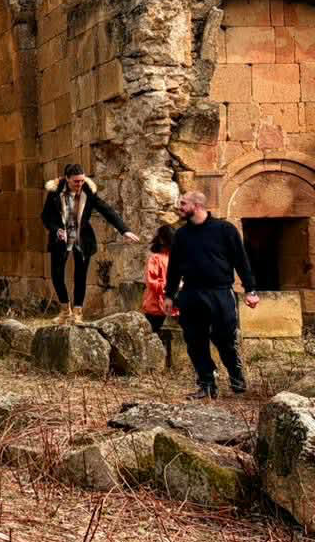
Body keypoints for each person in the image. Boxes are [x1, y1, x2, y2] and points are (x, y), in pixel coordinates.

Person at [163, 191, 260, 400]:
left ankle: (236, 379)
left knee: (225, 339)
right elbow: (174, 268)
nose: (179, 207)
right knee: (195, 341)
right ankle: (207, 384)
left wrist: (250, 290)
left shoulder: (225, 230)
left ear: (197, 205)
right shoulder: (181, 235)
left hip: (220, 293)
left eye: (183, 203)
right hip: (191, 293)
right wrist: (169, 295)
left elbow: (241, 262)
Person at [41, 164, 140, 324]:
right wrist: (57, 230)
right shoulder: (55, 191)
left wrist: (124, 230)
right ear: (67, 179)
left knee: (80, 275)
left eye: (81, 180)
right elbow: (45, 217)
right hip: (61, 238)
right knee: (56, 274)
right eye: (76, 182)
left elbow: (107, 210)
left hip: (82, 237)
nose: (79, 184)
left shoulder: (88, 190)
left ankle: (78, 312)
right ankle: (65, 311)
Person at [141, 225, 176, 333]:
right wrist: (171, 287)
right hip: (155, 305)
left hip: (172, 303)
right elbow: (152, 282)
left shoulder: (174, 257)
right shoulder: (155, 258)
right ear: (162, 240)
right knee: (151, 333)